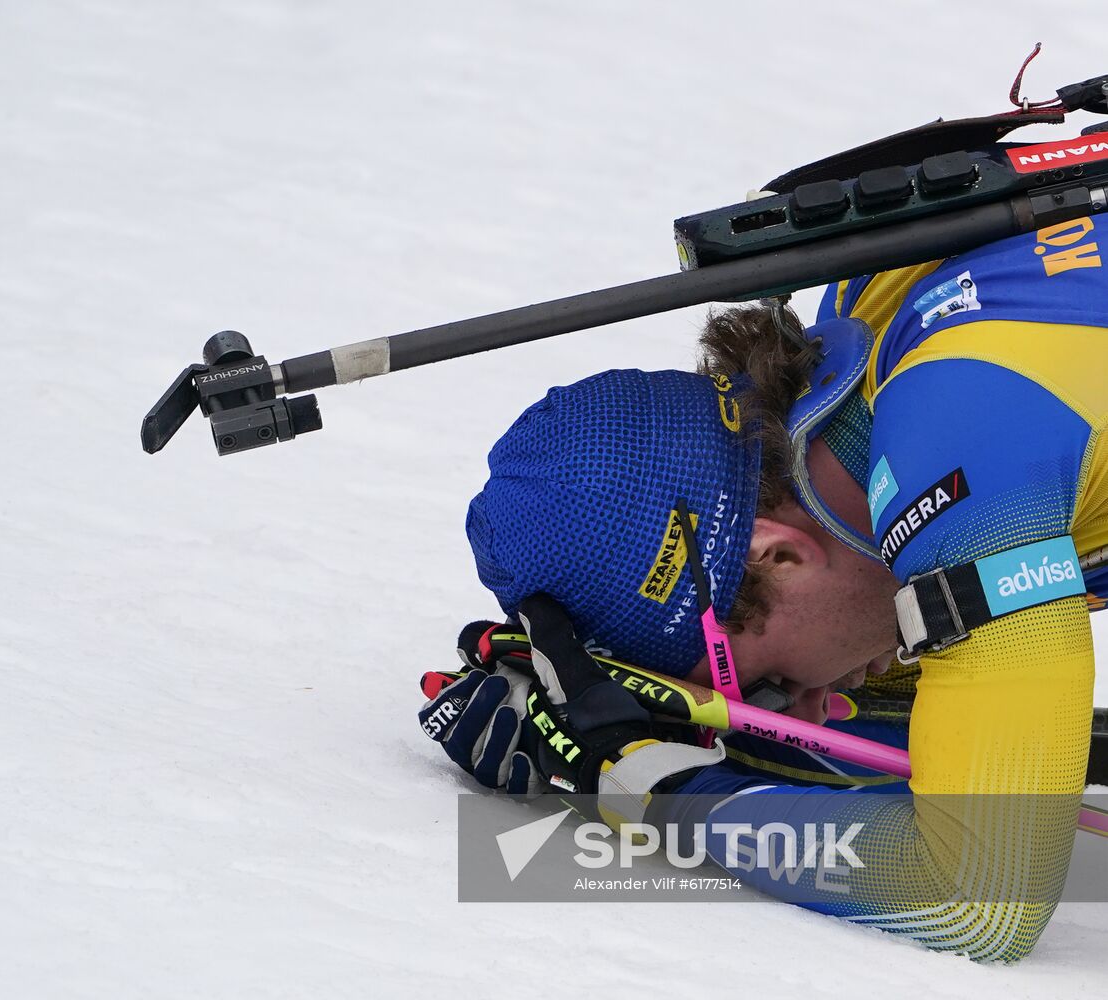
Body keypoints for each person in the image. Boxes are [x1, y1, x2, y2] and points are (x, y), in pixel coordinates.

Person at [422, 216, 1107, 961]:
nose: (814, 708)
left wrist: (637, 783)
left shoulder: (961, 465)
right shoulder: (879, 300)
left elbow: (975, 899)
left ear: (777, 556)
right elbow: (969, 751)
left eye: (771, 684)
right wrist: (655, 733)